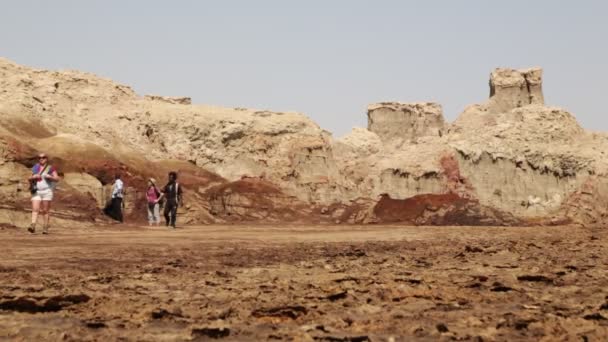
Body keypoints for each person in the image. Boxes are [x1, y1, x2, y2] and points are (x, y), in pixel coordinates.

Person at [28, 153, 60, 234]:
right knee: (35, 209)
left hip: (47, 191)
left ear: (46, 159)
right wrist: (33, 177)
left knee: (45, 210)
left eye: (43, 157)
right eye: (39, 158)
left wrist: (50, 177)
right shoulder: (35, 167)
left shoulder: (50, 168)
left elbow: (57, 179)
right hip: (36, 191)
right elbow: (29, 178)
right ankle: (33, 225)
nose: (41, 159)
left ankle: (45, 227)